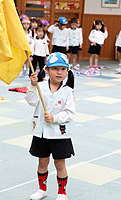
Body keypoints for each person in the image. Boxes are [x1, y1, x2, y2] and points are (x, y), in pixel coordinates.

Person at [25, 52, 75, 200]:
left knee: (60, 163)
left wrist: (55, 118)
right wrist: (33, 86)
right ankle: (42, 189)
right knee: (42, 162)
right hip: (41, 133)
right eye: (55, 69)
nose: (59, 72)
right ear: (47, 70)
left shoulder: (68, 91)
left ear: (67, 71)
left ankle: (62, 193)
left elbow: (70, 112)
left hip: (59, 134)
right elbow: (31, 101)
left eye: (63, 69)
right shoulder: (40, 87)